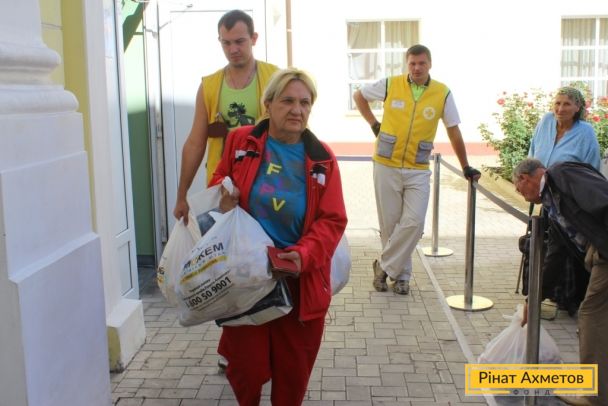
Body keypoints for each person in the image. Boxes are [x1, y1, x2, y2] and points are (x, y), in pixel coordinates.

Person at [210, 68, 347, 405]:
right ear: (268, 104)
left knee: (292, 377)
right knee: (247, 368)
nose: (297, 110)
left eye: (305, 103)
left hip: (298, 282)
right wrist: (222, 198)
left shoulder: (322, 158)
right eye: (287, 101)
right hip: (246, 277)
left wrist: (303, 254)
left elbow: (332, 220)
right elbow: (219, 181)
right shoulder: (241, 141)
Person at [353, 44, 481, 295]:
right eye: (412, 63)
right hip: (386, 164)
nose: (417, 68)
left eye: (422, 63)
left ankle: (383, 267)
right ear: (407, 64)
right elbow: (359, 96)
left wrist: (465, 165)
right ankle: (402, 277)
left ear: (430, 64)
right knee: (390, 226)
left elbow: (453, 129)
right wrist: (373, 124)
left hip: (418, 167)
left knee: (414, 223)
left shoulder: (442, 92)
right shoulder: (391, 84)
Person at [514, 158, 608, 406]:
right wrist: (533, 299)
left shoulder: (562, 173)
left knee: (591, 316)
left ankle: (595, 397)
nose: (520, 194)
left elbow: (603, 200)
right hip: (599, 254)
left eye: (518, 188)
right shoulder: (550, 206)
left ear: (525, 178)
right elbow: (555, 256)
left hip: (605, 253)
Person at [173, 9, 279, 224]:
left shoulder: (275, 78)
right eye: (226, 43)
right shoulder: (209, 86)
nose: (233, 49)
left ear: (254, 38)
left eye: (239, 42)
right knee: (222, 244)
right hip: (222, 189)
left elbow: (294, 134)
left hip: (265, 184)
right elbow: (195, 143)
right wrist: (182, 196)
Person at [527, 87, 600, 315]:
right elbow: (532, 152)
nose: (560, 108)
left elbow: (591, 168)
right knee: (544, 245)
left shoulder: (585, 132)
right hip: (543, 195)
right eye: (557, 103)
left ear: (578, 107)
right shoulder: (546, 122)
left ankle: (562, 299)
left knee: (562, 249)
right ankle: (547, 293)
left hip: (568, 202)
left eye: (567, 104)